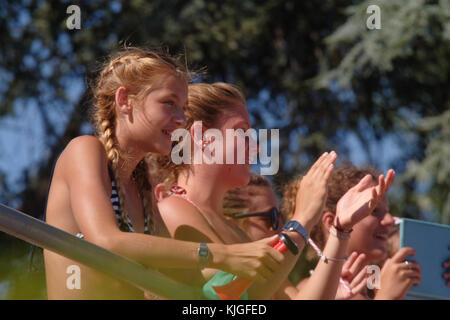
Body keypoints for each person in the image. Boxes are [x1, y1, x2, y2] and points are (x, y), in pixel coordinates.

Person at [43, 48, 286, 299]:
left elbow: (192, 281)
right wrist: (224, 255)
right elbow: (106, 240)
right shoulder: (85, 150)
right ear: (125, 100)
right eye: (169, 103)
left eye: (183, 107)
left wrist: (278, 246)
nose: (181, 119)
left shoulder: (143, 185)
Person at [154, 82, 393, 299]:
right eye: (242, 132)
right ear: (202, 138)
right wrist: (302, 219)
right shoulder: (173, 211)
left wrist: (340, 230)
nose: (255, 148)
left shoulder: (236, 234)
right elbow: (229, 299)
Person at [282, 166, 422, 299]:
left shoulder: (383, 286)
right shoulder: (309, 292)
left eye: (387, 211)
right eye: (373, 211)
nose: (390, 219)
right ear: (331, 222)